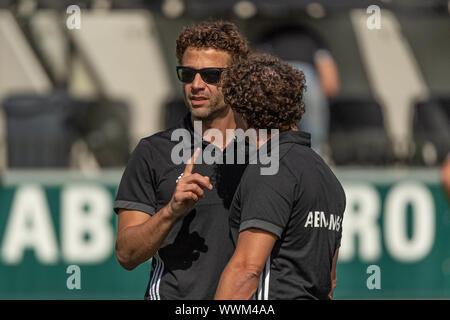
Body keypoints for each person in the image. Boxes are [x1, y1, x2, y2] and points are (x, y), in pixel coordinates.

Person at [114, 20, 250, 299]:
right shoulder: (153, 152)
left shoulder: (264, 150)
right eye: (187, 74)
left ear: (236, 78)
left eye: (211, 75)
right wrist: (171, 211)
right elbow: (126, 254)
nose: (196, 85)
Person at [215, 54, 346, 300]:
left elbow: (246, 271)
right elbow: (330, 281)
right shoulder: (328, 177)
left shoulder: (271, 167)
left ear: (243, 111)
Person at [257, 25, 340, 155]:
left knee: (273, 136)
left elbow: (257, 64)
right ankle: (316, 161)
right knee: (314, 140)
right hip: (308, 79)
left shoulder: (269, 36)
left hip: (277, 76)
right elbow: (330, 83)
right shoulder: (313, 36)